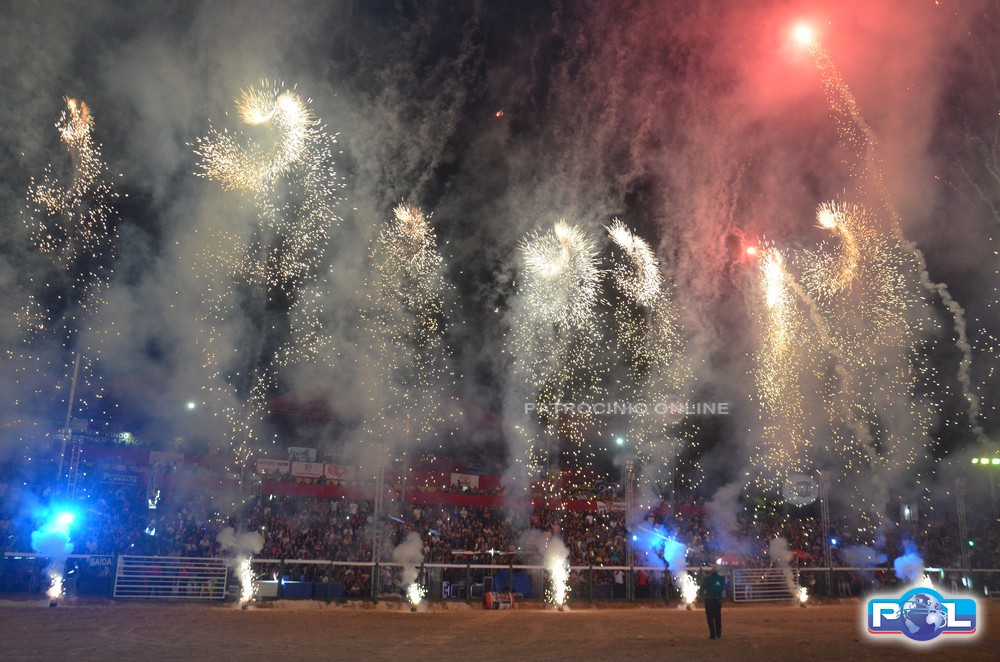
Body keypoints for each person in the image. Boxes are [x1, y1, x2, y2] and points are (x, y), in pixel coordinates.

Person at [700, 564, 726, 640]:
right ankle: (718, 633)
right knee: (718, 617)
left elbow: (702, 589)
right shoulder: (722, 579)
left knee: (710, 618)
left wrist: (700, 594)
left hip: (709, 600)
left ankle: (712, 634)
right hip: (718, 600)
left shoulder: (708, 579)